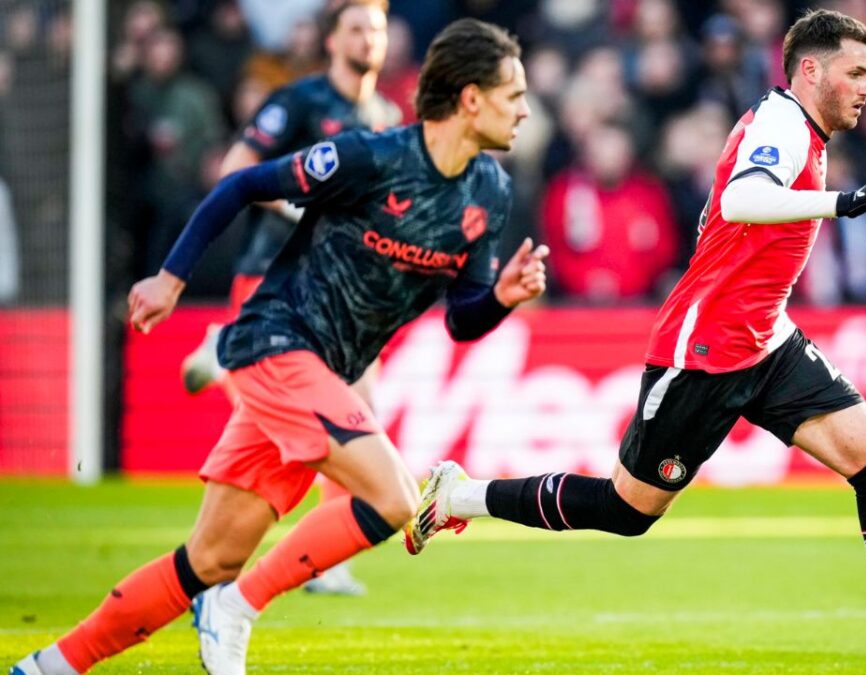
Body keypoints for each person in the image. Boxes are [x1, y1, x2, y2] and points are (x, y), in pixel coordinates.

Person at [406, 10, 866, 675]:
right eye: (857, 72)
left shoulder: (800, 129)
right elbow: (740, 200)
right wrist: (842, 203)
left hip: (766, 338)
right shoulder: (781, 124)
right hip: (704, 347)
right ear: (810, 70)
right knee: (626, 509)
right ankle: (459, 496)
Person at [11, 18, 542, 675]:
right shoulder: (370, 158)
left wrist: (502, 297)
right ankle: (238, 605)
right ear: (470, 98)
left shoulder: (489, 193)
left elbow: (462, 319)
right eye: (513, 95)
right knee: (396, 498)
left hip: (324, 369)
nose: (524, 110)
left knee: (208, 557)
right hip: (276, 340)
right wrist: (170, 277)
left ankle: (51, 664)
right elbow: (241, 185)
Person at [180, 0, 401, 595]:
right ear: (332, 41)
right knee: (299, 416)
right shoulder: (298, 102)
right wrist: (300, 204)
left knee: (355, 413)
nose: (368, 40)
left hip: (345, 290)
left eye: (376, 31)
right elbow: (235, 169)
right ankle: (229, 350)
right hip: (274, 276)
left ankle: (322, 560)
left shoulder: (387, 115)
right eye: (356, 29)